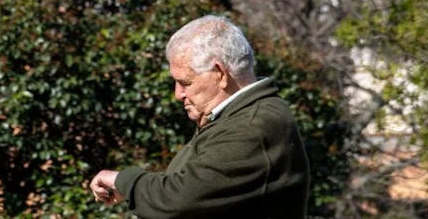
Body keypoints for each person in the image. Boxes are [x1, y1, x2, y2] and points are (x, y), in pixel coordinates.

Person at [89, 15, 310, 218]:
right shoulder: (235, 117)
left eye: (185, 83)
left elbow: (180, 199)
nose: (178, 94)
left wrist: (125, 182)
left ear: (220, 74)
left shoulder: (252, 126)